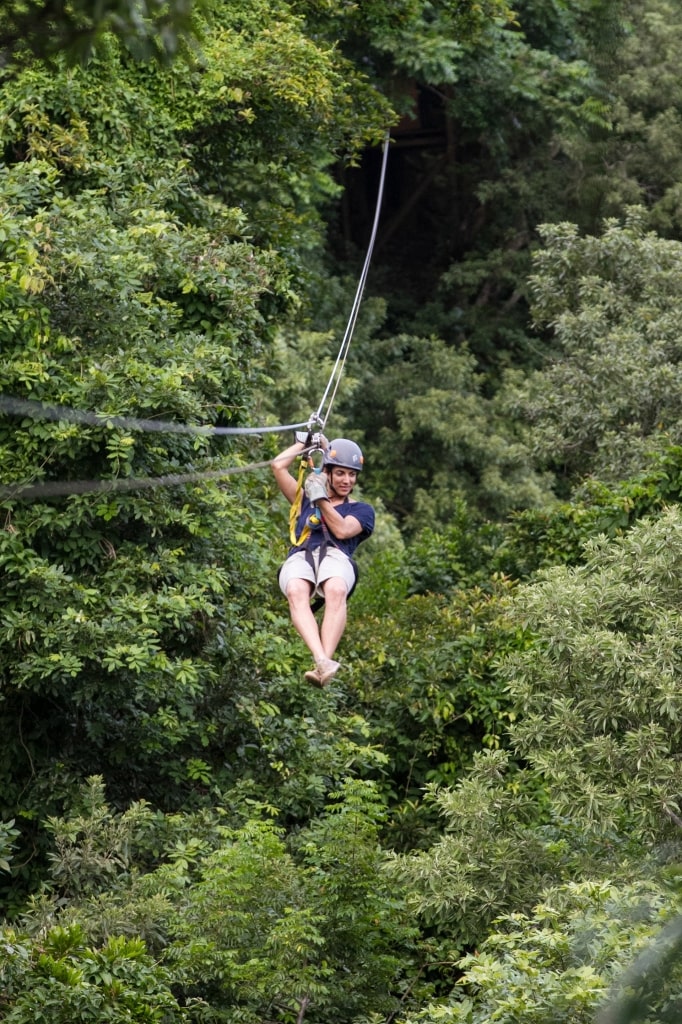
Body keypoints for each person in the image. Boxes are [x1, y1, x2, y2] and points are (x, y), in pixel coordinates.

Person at [271, 435, 375, 686]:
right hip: (302, 555)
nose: (346, 480)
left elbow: (341, 530)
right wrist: (303, 442)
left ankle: (324, 661)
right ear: (326, 472)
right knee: (295, 589)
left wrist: (320, 498)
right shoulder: (304, 499)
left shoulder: (361, 510)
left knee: (336, 587)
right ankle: (322, 661)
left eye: (352, 475)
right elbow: (278, 466)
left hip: (336, 556)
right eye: (340, 473)